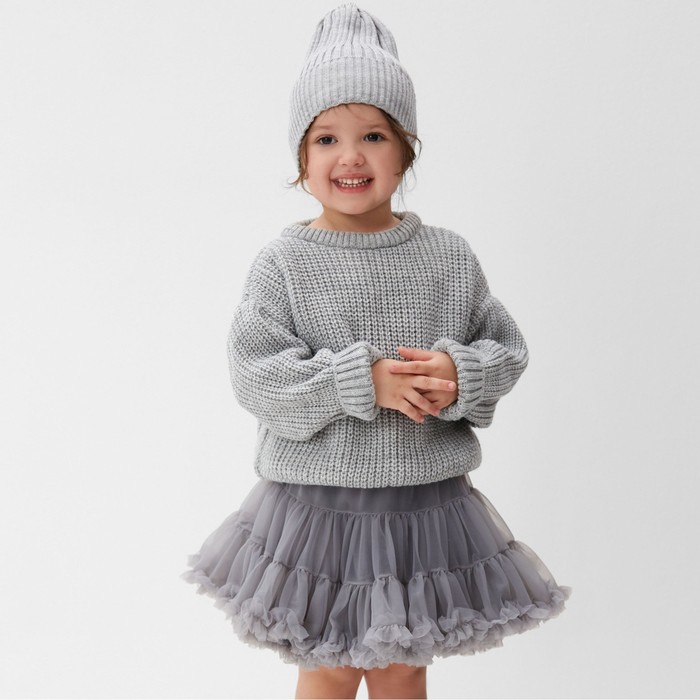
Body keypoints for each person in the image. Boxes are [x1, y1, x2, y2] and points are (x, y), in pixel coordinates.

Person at [181, 4, 571, 698]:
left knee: (402, 664)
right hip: (316, 511)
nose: (350, 155)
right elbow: (256, 375)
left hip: (423, 507)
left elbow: (506, 347)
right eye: (326, 138)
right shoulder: (285, 263)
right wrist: (359, 381)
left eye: (373, 135)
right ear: (301, 159)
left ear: (406, 149)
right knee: (330, 662)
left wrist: (460, 372)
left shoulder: (447, 257)